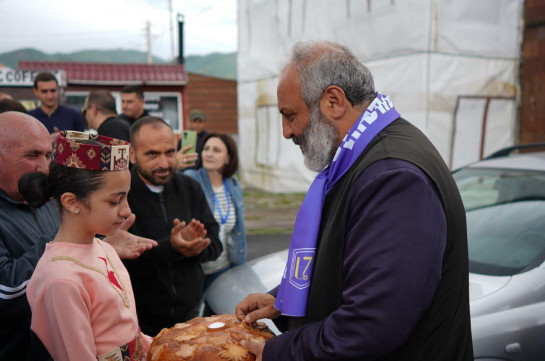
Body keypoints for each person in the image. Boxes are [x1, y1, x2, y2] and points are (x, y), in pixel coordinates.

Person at [235, 41, 473, 360]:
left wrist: (275, 352)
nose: (287, 132)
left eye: (290, 116)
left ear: (334, 101)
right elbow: (350, 264)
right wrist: (284, 300)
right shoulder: (361, 157)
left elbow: (371, 325)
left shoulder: (394, 177)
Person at [0, 111, 157, 361]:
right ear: (72, 202)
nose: (126, 210)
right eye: (115, 200)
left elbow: (128, 335)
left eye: (48, 154)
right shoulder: (60, 280)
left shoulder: (102, 247)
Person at [124, 116, 222, 336]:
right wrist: (172, 248)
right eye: (152, 154)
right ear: (132, 154)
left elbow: (216, 243)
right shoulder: (120, 195)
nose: (164, 163)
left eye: (169, 152)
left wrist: (195, 247)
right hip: (139, 325)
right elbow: (116, 262)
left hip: (191, 319)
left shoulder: (190, 188)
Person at [185, 133, 246, 288]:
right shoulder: (190, 179)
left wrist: (239, 267)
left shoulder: (233, 184)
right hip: (195, 271)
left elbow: (237, 233)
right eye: (206, 149)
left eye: (216, 150)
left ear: (227, 158)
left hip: (223, 269)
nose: (209, 153)